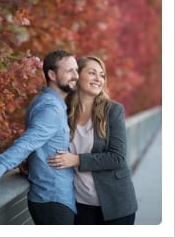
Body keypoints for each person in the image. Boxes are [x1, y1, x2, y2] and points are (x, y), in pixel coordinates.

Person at [0, 50, 79, 225]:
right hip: (53, 199)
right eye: (69, 71)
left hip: (54, 197)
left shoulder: (46, 101)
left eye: (76, 70)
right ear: (52, 75)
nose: (75, 75)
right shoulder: (51, 109)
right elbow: (27, 142)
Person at [47, 56, 138, 225]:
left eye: (102, 75)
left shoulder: (113, 110)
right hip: (79, 204)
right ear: (77, 76)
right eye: (92, 73)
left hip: (115, 204)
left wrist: (76, 160)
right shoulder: (63, 112)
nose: (99, 79)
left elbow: (117, 157)